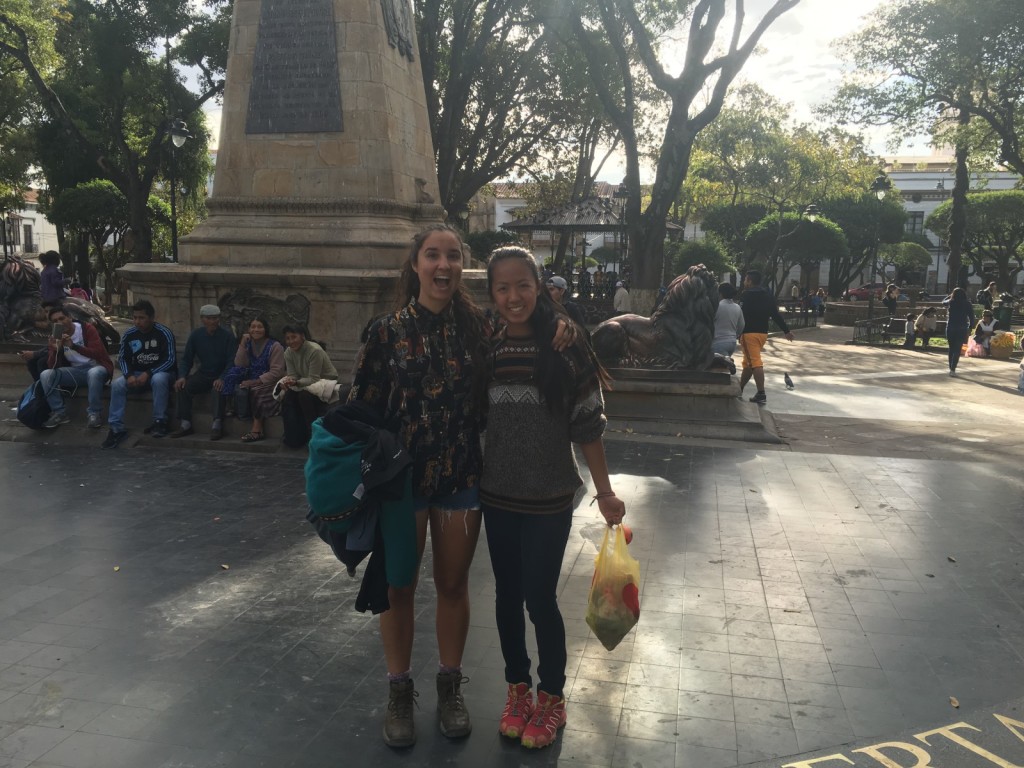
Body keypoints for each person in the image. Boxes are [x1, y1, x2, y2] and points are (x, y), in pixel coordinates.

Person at [349, 224, 577, 748]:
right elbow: (361, 409)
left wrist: (566, 325)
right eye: (433, 255)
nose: (443, 265)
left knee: (453, 586)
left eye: (453, 255)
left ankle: (450, 686)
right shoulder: (384, 332)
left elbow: (533, 323)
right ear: (415, 264)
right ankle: (399, 691)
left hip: (460, 478)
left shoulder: (480, 328)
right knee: (398, 586)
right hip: (401, 484)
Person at [481, 246, 624, 750]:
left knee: (539, 598)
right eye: (503, 287)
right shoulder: (487, 343)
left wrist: (605, 492)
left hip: (549, 496)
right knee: (505, 595)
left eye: (523, 285)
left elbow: (588, 423)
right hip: (496, 494)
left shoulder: (566, 346)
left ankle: (552, 696)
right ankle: (517, 689)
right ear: (491, 293)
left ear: (539, 287)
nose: (513, 296)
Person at [101, 300, 176, 448]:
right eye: (135, 317)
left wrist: (148, 373)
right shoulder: (129, 334)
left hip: (160, 372)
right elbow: (122, 358)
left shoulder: (164, 333)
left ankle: (160, 421)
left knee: (159, 379)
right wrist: (128, 375)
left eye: (142, 318)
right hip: (135, 373)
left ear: (151, 317)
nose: (137, 321)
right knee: (117, 385)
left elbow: (170, 360)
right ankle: (116, 428)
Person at [37, 304, 114, 429]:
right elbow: (52, 366)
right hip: (75, 372)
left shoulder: (86, 328)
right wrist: (56, 350)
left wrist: (74, 346)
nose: (60, 322)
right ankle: (59, 413)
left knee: (93, 373)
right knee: (46, 375)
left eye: (62, 318)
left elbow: (98, 352)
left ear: (70, 317)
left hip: (96, 367)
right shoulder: (56, 337)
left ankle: (94, 413)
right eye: (55, 321)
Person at [169, 305, 236, 440]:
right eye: (209, 318)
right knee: (183, 386)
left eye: (215, 318)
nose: (212, 322)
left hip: (221, 373)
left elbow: (232, 361)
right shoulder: (196, 335)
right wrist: (181, 376)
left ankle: (217, 423)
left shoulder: (227, 336)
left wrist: (223, 377)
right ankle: (185, 423)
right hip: (204, 373)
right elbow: (187, 359)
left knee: (217, 388)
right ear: (202, 319)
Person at [220, 317, 286, 443]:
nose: (256, 330)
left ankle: (257, 430)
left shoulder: (275, 346)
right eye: (253, 327)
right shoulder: (248, 343)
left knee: (256, 391)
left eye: (259, 326)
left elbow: (277, 372)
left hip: (270, 381)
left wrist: (255, 382)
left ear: (265, 329)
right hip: (251, 377)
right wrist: (242, 344)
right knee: (232, 375)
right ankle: (231, 408)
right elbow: (239, 363)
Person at [277, 325, 338, 449]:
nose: (290, 341)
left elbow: (314, 378)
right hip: (303, 381)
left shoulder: (314, 350)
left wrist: (296, 382)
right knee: (288, 397)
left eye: (294, 337)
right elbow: (293, 375)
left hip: (323, 381)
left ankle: (313, 434)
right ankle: (292, 437)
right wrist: (289, 382)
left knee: (304, 396)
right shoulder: (288, 352)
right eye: (288, 338)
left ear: (303, 336)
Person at [738, 270, 794, 404]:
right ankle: (739, 389)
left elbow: (740, 314)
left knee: (755, 363)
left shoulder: (746, 295)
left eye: (746, 279)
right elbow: (775, 314)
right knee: (748, 364)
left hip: (748, 333)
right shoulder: (768, 295)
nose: (745, 282)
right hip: (762, 333)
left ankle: (761, 393)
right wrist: (786, 331)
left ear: (750, 281)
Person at [943, 287, 973, 376]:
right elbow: (971, 316)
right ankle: (953, 368)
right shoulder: (967, 304)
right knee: (957, 348)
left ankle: (950, 367)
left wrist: (949, 296)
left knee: (951, 348)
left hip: (951, 327)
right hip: (962, 327)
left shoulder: (951, 302)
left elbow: (943, 302)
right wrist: (971, 327)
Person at [712, 282, 744, 356]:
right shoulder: (737, 307)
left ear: (720, 293)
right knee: (726, 365)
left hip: (718, 342)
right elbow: (742, 325)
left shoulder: (717, 307)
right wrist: (736, 335)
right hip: (732, 342)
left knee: (718, 366)